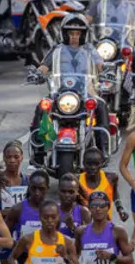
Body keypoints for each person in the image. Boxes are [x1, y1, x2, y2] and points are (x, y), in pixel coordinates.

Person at [30, 13, 108, 162]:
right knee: (42, 107)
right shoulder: (57, 50)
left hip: (85, 93)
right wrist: (36, 74)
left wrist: (106, 72)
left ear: (83, 34)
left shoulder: (90, 49)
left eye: (78, 33)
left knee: (101, 105)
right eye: (71, 33)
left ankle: (102, 149)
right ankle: (38, 152)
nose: (74, 37)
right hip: (60, 93)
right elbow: (44, 66)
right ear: (65, 34)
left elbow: (100, 65)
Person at [86, 0, 135, 110]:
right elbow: (87, 19)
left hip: (124, 44)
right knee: (85, 59)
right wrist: (81, 23)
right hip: (103, 45)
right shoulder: (98, 3)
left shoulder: (131, 5)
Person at [79, 147, 130, 222]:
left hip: (105, 224)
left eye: (96, 164)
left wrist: (120, 209)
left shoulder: (111, 178)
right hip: (84, 225)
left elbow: (114, 193)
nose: (93, 167)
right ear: (83, 163)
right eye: (89, 164)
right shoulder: (77, 180)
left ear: (102, 163)